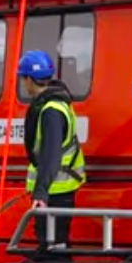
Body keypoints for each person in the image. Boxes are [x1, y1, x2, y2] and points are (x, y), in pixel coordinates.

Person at [17, 50, 86, 252]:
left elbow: (50, 155)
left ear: (29, 79)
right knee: (55, 245)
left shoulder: (51, 111)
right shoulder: (58, 103)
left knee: (53, 246)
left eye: (23, 79)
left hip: (55, 192)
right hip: (57, 189)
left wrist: (40, 193)